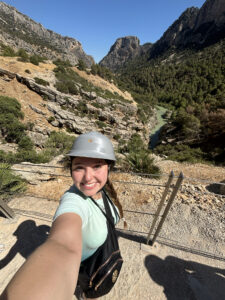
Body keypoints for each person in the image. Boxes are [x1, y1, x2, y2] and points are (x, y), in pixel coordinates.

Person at [0, 131, 125, 300]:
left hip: (100, 256)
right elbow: (62, 244)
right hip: (85, 268)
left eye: (97, 166)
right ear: (71, 169)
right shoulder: (73, 200)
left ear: (108, 168)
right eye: (79, 167)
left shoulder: (104, 190)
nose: (88, 177)